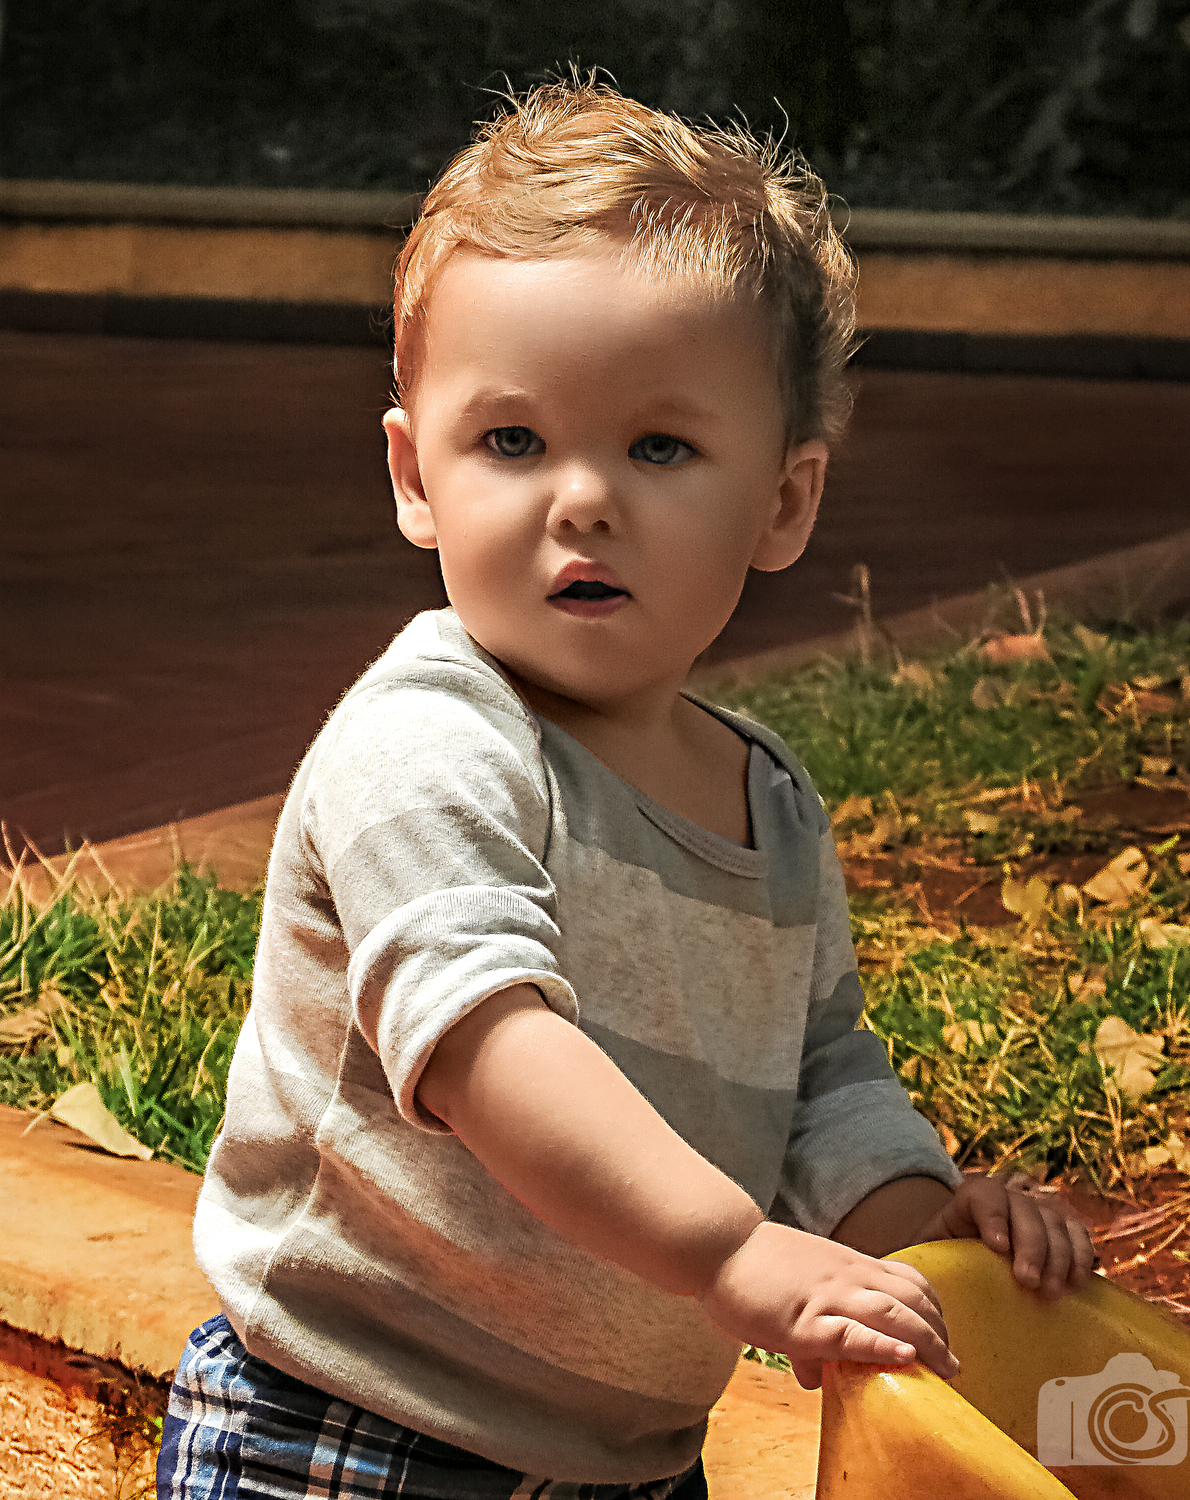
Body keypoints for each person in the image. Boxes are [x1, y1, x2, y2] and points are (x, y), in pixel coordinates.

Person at [159, 77, 1094, 1500]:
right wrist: (732, 1256)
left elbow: (825, 1083)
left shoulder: (768, 804)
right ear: (415, 475)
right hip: (353, 1423)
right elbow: (489, 1047)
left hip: (629, 1462)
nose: (583, 498)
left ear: (784, 502)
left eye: (659, 446)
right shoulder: (427, 742)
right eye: (513, 441)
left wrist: (925, 1241)